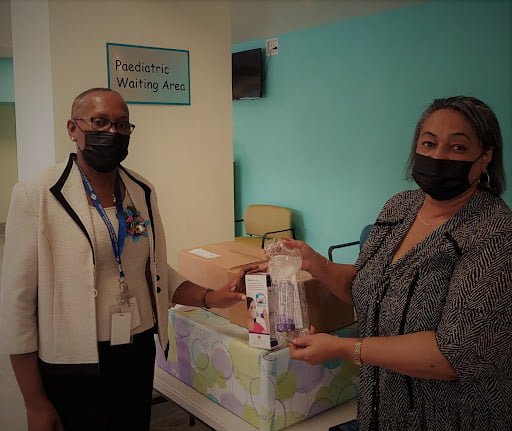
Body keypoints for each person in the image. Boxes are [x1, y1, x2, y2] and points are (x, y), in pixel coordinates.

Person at [0, 88, 248, 431]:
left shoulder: (140, 190)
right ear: (73, 128)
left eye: (122, 125)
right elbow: (17, 305)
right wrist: (34, 401)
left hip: (136, 350)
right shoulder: (36, 195)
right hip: (72, 362)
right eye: (100, 122)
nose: (112, 133)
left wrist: (213, 297)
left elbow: (153, 270)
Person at [284, 96, 512, 430]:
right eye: (429, 143)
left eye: (457, 147)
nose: (438, 156)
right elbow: (369, 290)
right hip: (382, 409)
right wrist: (315, 263)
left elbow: (453, 354)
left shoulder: (494, 232)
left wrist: (344, 348)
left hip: (454, 416)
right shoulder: (399, 207)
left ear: (486, 157)